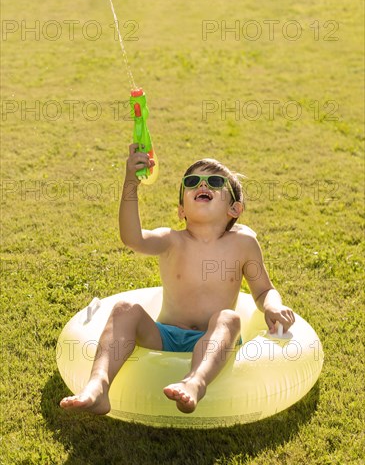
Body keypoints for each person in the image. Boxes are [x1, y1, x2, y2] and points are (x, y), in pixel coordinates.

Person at [60, 144, 295, 415]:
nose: (202, 184)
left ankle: (195, 382)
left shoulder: (243, 244)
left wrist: (273, 306)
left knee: (228, 318)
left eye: (215, 182)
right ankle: (98, 386)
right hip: (165, 335)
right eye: (192, 181)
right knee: (125, 310)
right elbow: (132, 238)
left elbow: (264, 290)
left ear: (234, 209)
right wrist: (130, 183)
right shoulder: (172, 240)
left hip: (214, 338)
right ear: (181, 210)